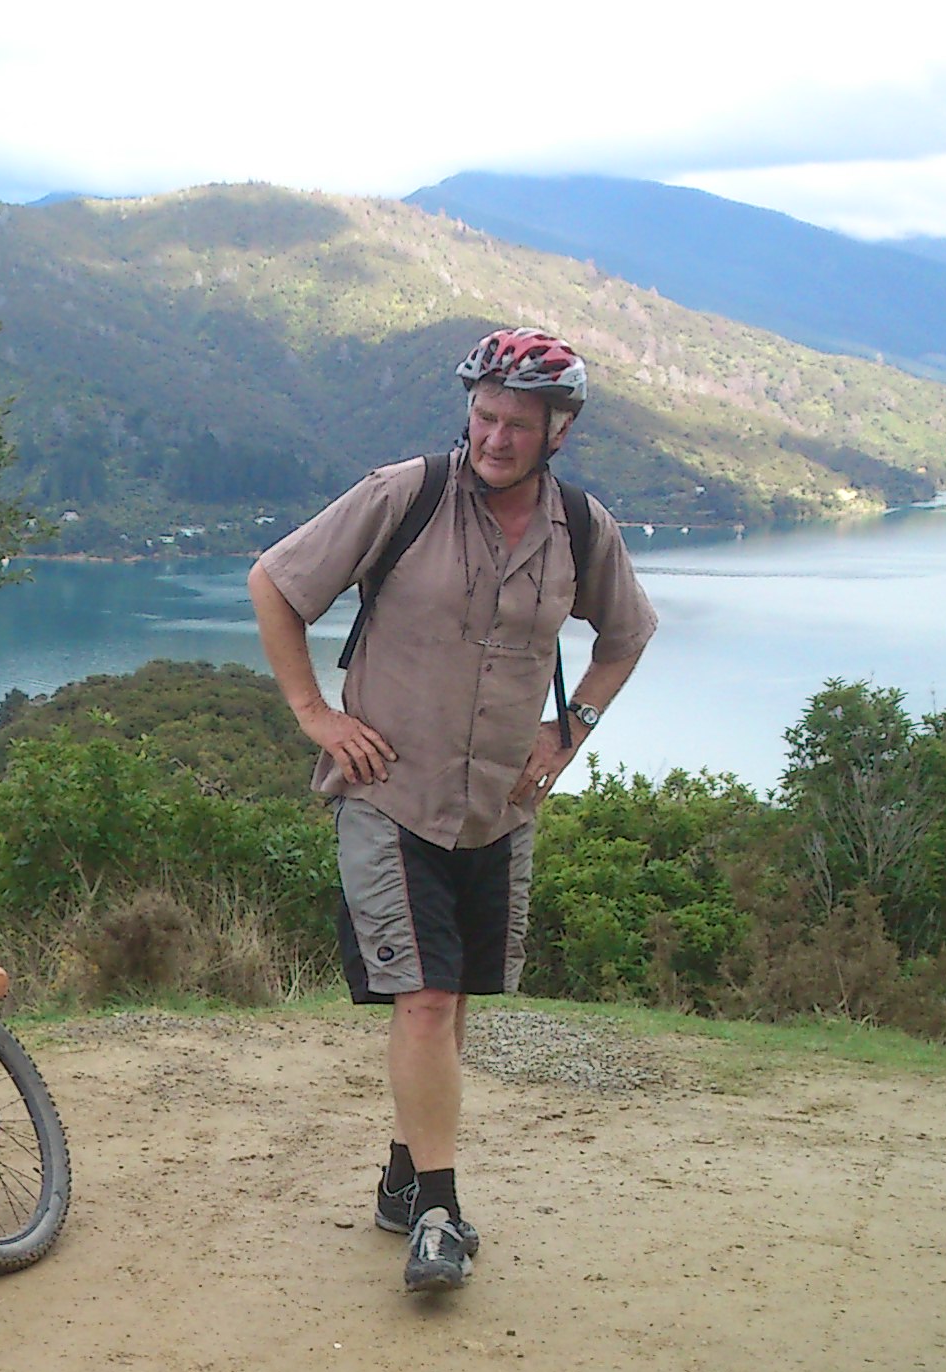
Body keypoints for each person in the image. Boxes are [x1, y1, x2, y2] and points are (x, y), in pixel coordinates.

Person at [246, 328, 658, 1293]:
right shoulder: (407, 495)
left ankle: (403, 1177)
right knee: (426, 997)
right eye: (485, 415)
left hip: (497, 808)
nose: (496, 438)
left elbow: (627, 634)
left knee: (452, 995)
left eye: (519, 423)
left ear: (560, 431)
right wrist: (315, 714)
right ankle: (438, 1212)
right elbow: (275, 582)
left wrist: (570, 731)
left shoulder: (580, 527)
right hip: (391, 794)